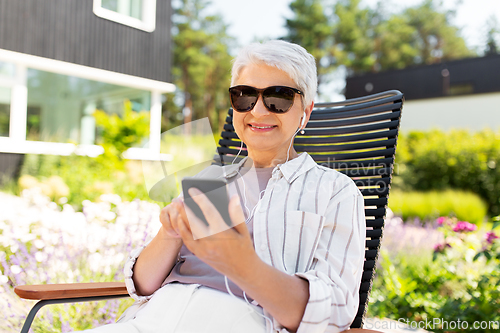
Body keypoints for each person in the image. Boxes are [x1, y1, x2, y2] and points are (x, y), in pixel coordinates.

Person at [81, 40, 366, 333]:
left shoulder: (333, 191)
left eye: (278, 97)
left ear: (305, 111)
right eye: (244, 96)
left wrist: (244, 265)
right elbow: (141, 284)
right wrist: (169, 234)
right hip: (150, 320)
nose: (257, 111)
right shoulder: (211, 180)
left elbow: (334, 311)